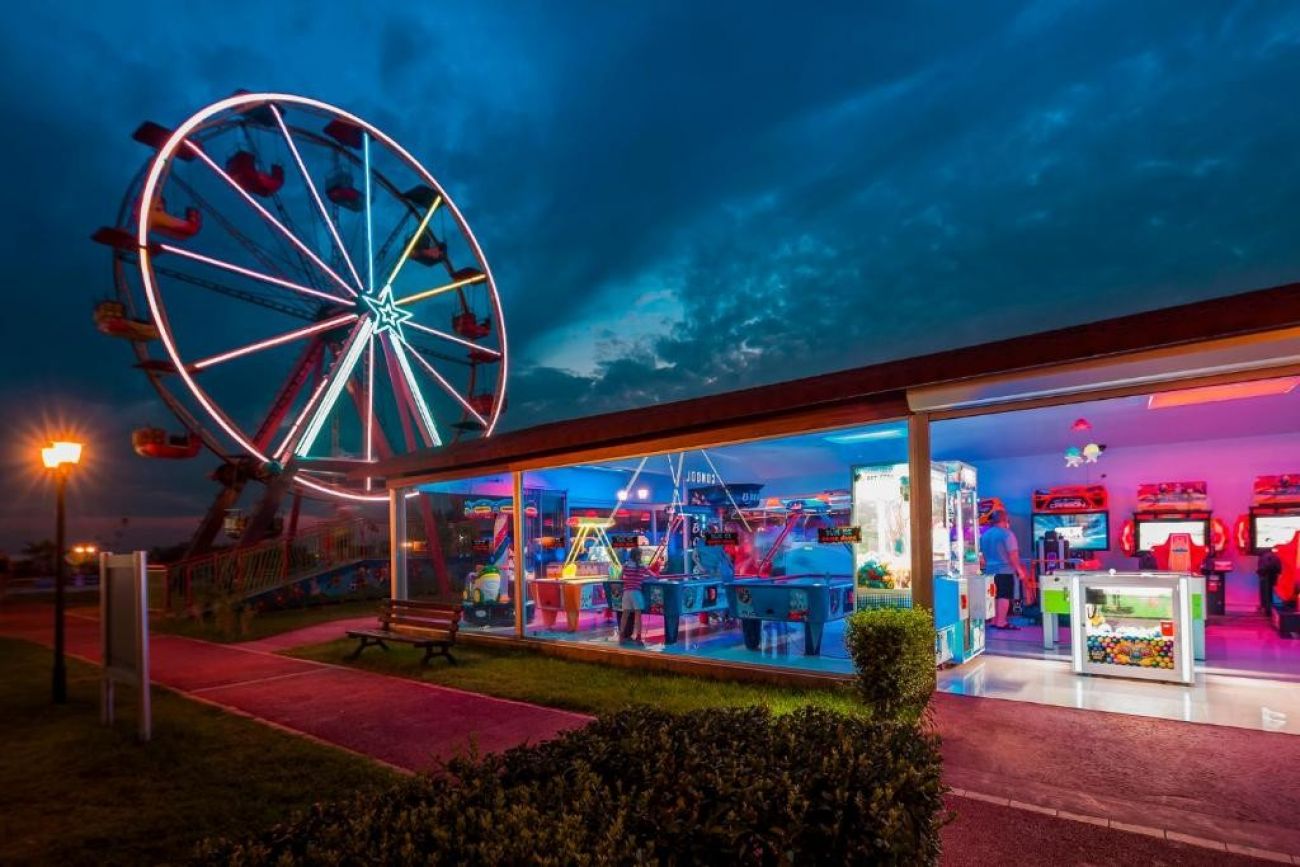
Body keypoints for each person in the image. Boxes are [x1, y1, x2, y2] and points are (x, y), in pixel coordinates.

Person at [980, 509, 1028, 630]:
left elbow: (983, 555)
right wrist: (1019, 570)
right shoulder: (1007, 534)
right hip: (1004, 570)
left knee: (993, 596)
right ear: (1005, 519)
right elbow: (1013, 555)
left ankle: (994, 620)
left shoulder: (985, 535)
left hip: (989, 571)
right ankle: (1001, 622)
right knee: (1004, 596)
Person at [620, 547, 649, 643]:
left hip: (626, 592)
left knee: (625, 615)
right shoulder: (642, 566)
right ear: (638, 555)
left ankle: (621, 635)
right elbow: (654, 575)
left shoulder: (626, 565)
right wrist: (641, 577)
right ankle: (638, 636)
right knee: (638, 616)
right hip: (636, 593)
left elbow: (620, 577)